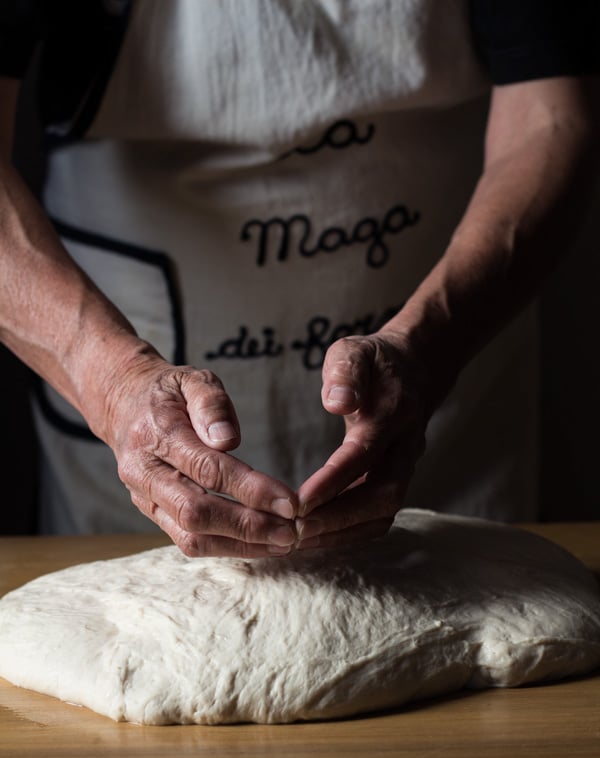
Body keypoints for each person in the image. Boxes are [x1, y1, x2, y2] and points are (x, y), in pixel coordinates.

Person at [0, 0, 598, 556]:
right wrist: (115, 382)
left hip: (446, 360)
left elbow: (550, 118)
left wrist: (431, 344)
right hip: (129, 385)